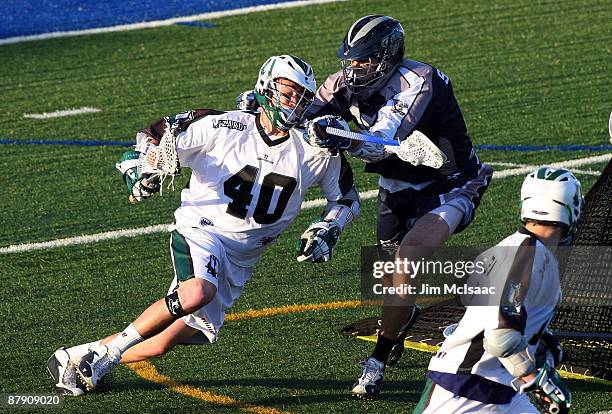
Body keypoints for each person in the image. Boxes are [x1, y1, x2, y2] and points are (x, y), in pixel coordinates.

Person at [46, 54, 360, 396]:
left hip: (240, 260)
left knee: (159, 344)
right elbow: (150, 141)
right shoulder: (223, 126)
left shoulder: (315, 150)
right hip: (202, 229)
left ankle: (74, 357)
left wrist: (329, 228)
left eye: (302, 97)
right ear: (266, 90)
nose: (295, 104)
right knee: (197, 292)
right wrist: (140, 171)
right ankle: (107, 354)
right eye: (288, 94)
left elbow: (346, 200)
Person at [290, 15, 493, 397]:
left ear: (386, 57)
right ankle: (404, 320)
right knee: (394, 287)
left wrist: (342, 138)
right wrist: (289, 115)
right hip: (395, 187)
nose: (354, 69)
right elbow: (301, 118)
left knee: (408, 260)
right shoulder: (341, 83)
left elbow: (383, 139)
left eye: (364, 61)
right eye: (351, 60)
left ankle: (376, 363)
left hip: (449, 184)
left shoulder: (419, 81)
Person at [412, 167, 581, 414]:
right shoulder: (526, 254)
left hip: (496, 388)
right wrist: (537, 381)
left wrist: (542, 344)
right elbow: (501, 337)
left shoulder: (531, 252)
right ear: (568, 207)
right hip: (468, 389)